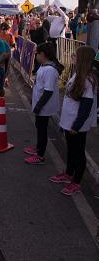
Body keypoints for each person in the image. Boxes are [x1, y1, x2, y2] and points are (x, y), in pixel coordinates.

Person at [49, 46, 97, 195]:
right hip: (69, 120)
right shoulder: (77, 74)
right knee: (70, 149)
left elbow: (86, 107)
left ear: (82, 59)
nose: (72, 57)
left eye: (75, 55)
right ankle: (68, 173)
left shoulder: (88, 80)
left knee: (78, 152)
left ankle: (76, 182)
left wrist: (76, 126)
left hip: (77, 124)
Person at [24, 43, 63, 165]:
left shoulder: (50, 70)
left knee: (42, 129)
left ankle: (40, 155)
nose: (36, 56)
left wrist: (39, 106)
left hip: (44, 107)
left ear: (44, 55)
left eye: (38, 54)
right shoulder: (44, 66)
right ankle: (38, 148)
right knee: (39, 127)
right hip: (39, 104)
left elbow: (48, 91)